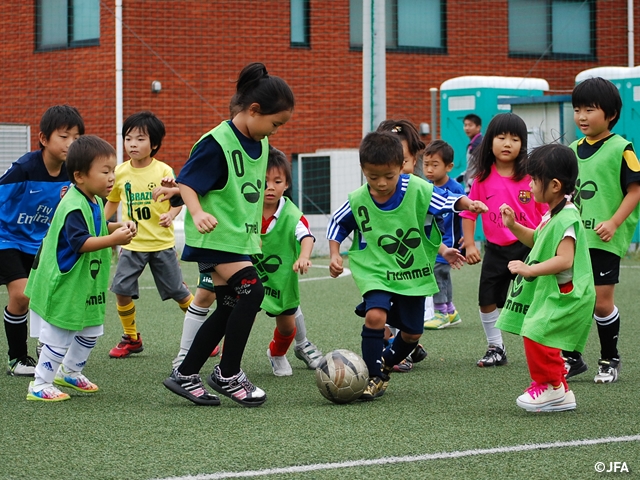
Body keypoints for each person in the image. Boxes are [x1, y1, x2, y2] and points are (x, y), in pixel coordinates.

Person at [163, 62, 294, 407]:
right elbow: (190, 182)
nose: (275, 131)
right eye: (275, 123)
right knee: (253, 292)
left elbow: (225, 188)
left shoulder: (260, 143)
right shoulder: (217, 142)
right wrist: (195, 211)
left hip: (237, 240)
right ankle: (228, 373)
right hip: (215, 238)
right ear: (254, 110)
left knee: (228, 307)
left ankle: (186, 374)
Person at [327, 131, 487, 400]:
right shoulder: (358, 199)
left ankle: (386, 364)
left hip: (411, 272)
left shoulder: (417, 189)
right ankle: (373, 376)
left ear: (401, 166)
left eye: (388, 176)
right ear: (363, 169)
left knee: (413, 334)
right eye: (373, 177)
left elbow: (446, 200)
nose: (381, 183)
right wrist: (334, 253)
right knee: (375, 316)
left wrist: (467, 203)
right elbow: (337, 223)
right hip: (376, 270)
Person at [24, 136, 136, 401]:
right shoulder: (74, 205)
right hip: (66, 284)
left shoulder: (93, 200)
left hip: (84, 284)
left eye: (113, 171)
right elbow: (81, 242)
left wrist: (117, 227)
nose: (112, 178)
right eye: (105, 172)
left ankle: (70, 371)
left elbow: (96, 228)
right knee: (59, 335)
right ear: (80, 176)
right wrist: (114, 239)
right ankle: (39, 384)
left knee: (90, 331)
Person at [496, 143, 595, 412]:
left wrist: (529, 270)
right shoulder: (554, 214)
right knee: (541, 333)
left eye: (533, 179)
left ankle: (551, 386)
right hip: (558, 293)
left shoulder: (567, 218)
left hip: (568, 295)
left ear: (554, 185)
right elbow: (537, 240)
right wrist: (513, 225)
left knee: (537, 332)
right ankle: (561, 390)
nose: (529, 185)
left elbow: (564, 260)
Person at [563, 77, 640, 384]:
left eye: (589, 109)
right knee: (572, 298)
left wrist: (614, 222)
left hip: (604, 239)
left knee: (601, 302)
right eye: (577, 109)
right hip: (574, 239)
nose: (581, 116)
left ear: (611, 114)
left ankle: (610, 358)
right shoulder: (571, 150)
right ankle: (572, 358)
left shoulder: (622, 149)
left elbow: (635, 190)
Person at [0, 105, 85, 376]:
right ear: (44, 139)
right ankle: (17, 359)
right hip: (7, 238)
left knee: (49, 296)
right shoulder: (24, 169)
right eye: (64, 136)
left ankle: (47, 347)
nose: (71, 143)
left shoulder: (73, 174)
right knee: (21, 295)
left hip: (41, 243)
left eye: (76, 137)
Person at [460, 113, 547, 368]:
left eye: (515, 139)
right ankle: (496, 347)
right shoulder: (481, 179)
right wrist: (470, 244)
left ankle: (548, 350)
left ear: (523, 145)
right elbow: (469, 213)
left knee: (537, 301)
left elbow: (545, 213)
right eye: (501, 137)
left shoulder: (531, 178)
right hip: (496, 251)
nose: (508, 143)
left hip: (529, 249)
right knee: (486, 300)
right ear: (489, 142)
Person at [104, 111, 193, 358]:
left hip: (162, 244)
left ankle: (201, 335)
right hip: (132, 244)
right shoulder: (120, 172)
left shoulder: (163, 171)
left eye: (140, 139)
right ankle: (131, 337)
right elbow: (112, 201)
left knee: (178, 292)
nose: (132, 144)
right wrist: (98, 222)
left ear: (154, 144)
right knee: (121, 290)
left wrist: (171, 215)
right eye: (128, 138)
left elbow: (178, 201)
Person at [258, 146, 323, 376]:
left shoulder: (292, 214)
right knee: (238, 319)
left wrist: (304, 257)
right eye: (264, 181)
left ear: (286, 184)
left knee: (287, 327)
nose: (270, 187)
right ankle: (229, 362)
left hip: (281, 280)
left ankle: (277, 353)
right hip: (250, 275)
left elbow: (306, 236)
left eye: (277, 181)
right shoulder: (248, 208)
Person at [375, 119, 429, 371]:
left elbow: (427, 231)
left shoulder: (419, 192)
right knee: (380, 311)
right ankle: (390, 353)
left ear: (414, 160)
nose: (397, 167)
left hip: (412, 267)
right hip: (380, 264)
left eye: (403, 161)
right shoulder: (372, 194)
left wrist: (444, 249)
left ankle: (405, 345)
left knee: (408, 313)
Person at [422, 140, 466, 330]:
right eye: (426, 164)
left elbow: (465, 213)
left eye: (435, 165)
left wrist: (466, 237)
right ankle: (450, 310)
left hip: (449, 241)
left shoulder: (455, 188)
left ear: (449, 167)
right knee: (443, 274)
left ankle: (440, 313)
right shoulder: (426, 187)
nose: (429, 169)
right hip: (435, 241)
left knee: (437, 273)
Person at [462, 114, 483, 193]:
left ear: (478, 127)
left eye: (470, 125)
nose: (467, 128)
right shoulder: (475, 143)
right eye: (465, 125)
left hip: (475, 187)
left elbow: (480, 167)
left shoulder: (478, 145)